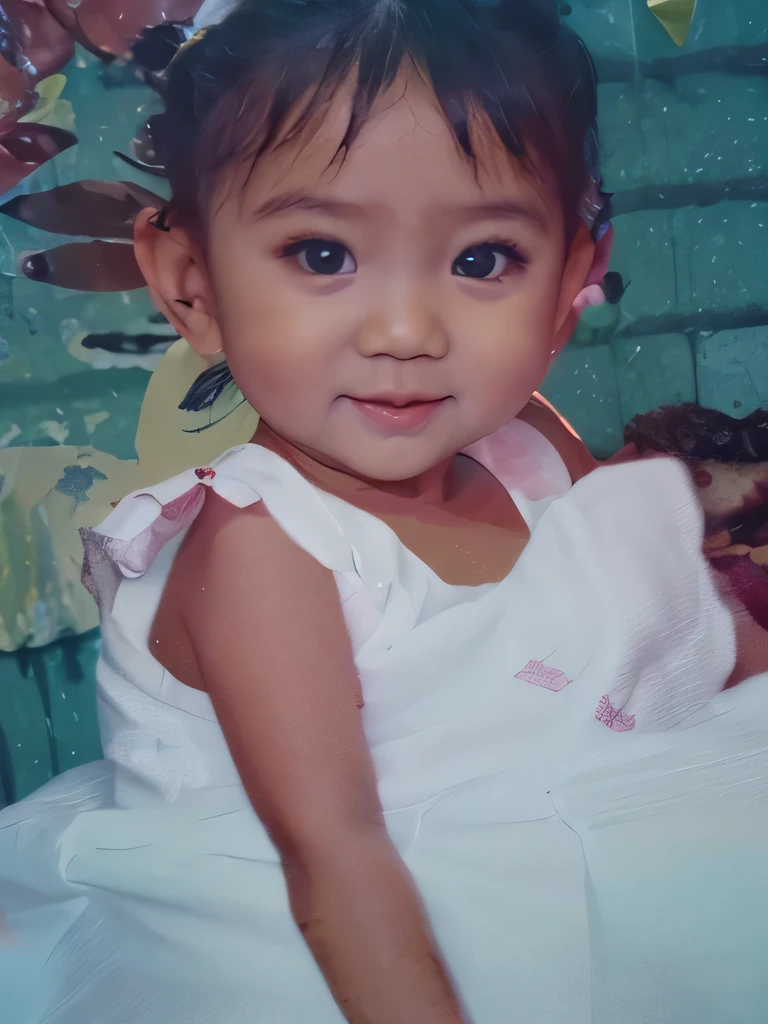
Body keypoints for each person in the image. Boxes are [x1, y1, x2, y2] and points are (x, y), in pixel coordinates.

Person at [1, 2, 767, 1022]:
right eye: (321, 255)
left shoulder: (533, 447)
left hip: (561, 834)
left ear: (573, 274)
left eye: (482, 259)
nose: (406, 330)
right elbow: (336, 858)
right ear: (193, 286)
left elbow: (662, 625)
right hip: (335, 918)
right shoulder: (265, 547)